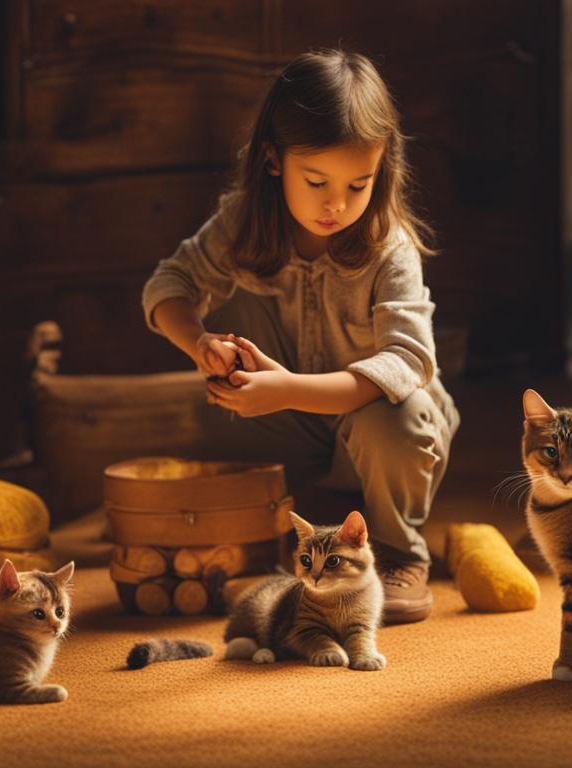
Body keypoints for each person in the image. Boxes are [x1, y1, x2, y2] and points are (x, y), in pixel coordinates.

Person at [141, 49, 458, 624]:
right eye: (316, 181)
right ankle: (320, 510)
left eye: (359, 185)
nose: (336, 204)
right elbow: (168, 284)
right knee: (231, 337)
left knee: (398, 415)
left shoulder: (389, 247)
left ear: (382, 170)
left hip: (380, 434)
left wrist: (288, 389)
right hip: (290, 430)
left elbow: (407, 360)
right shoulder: (244, 222)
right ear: (272, 161)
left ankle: (397, 546)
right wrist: (200, 344)